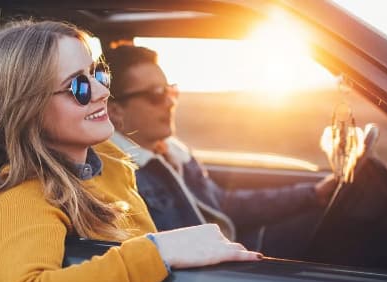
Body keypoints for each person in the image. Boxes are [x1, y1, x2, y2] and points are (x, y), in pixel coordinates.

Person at [0, 21, 262, 282]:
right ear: (30, 109)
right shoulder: (27, 192)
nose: (103, 92)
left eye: (97, 74)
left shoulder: (111, 161)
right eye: (79, 87)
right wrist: (160, 251)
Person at [104, 45, 337, 258]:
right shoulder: (120, 176)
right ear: (116, 111)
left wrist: (312, 195)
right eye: (156, 94)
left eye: (170, 91)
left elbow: (222, 204)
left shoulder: (172, 152)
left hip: (228, 250)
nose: (170, 102)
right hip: (212, 271)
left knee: (318, 223)